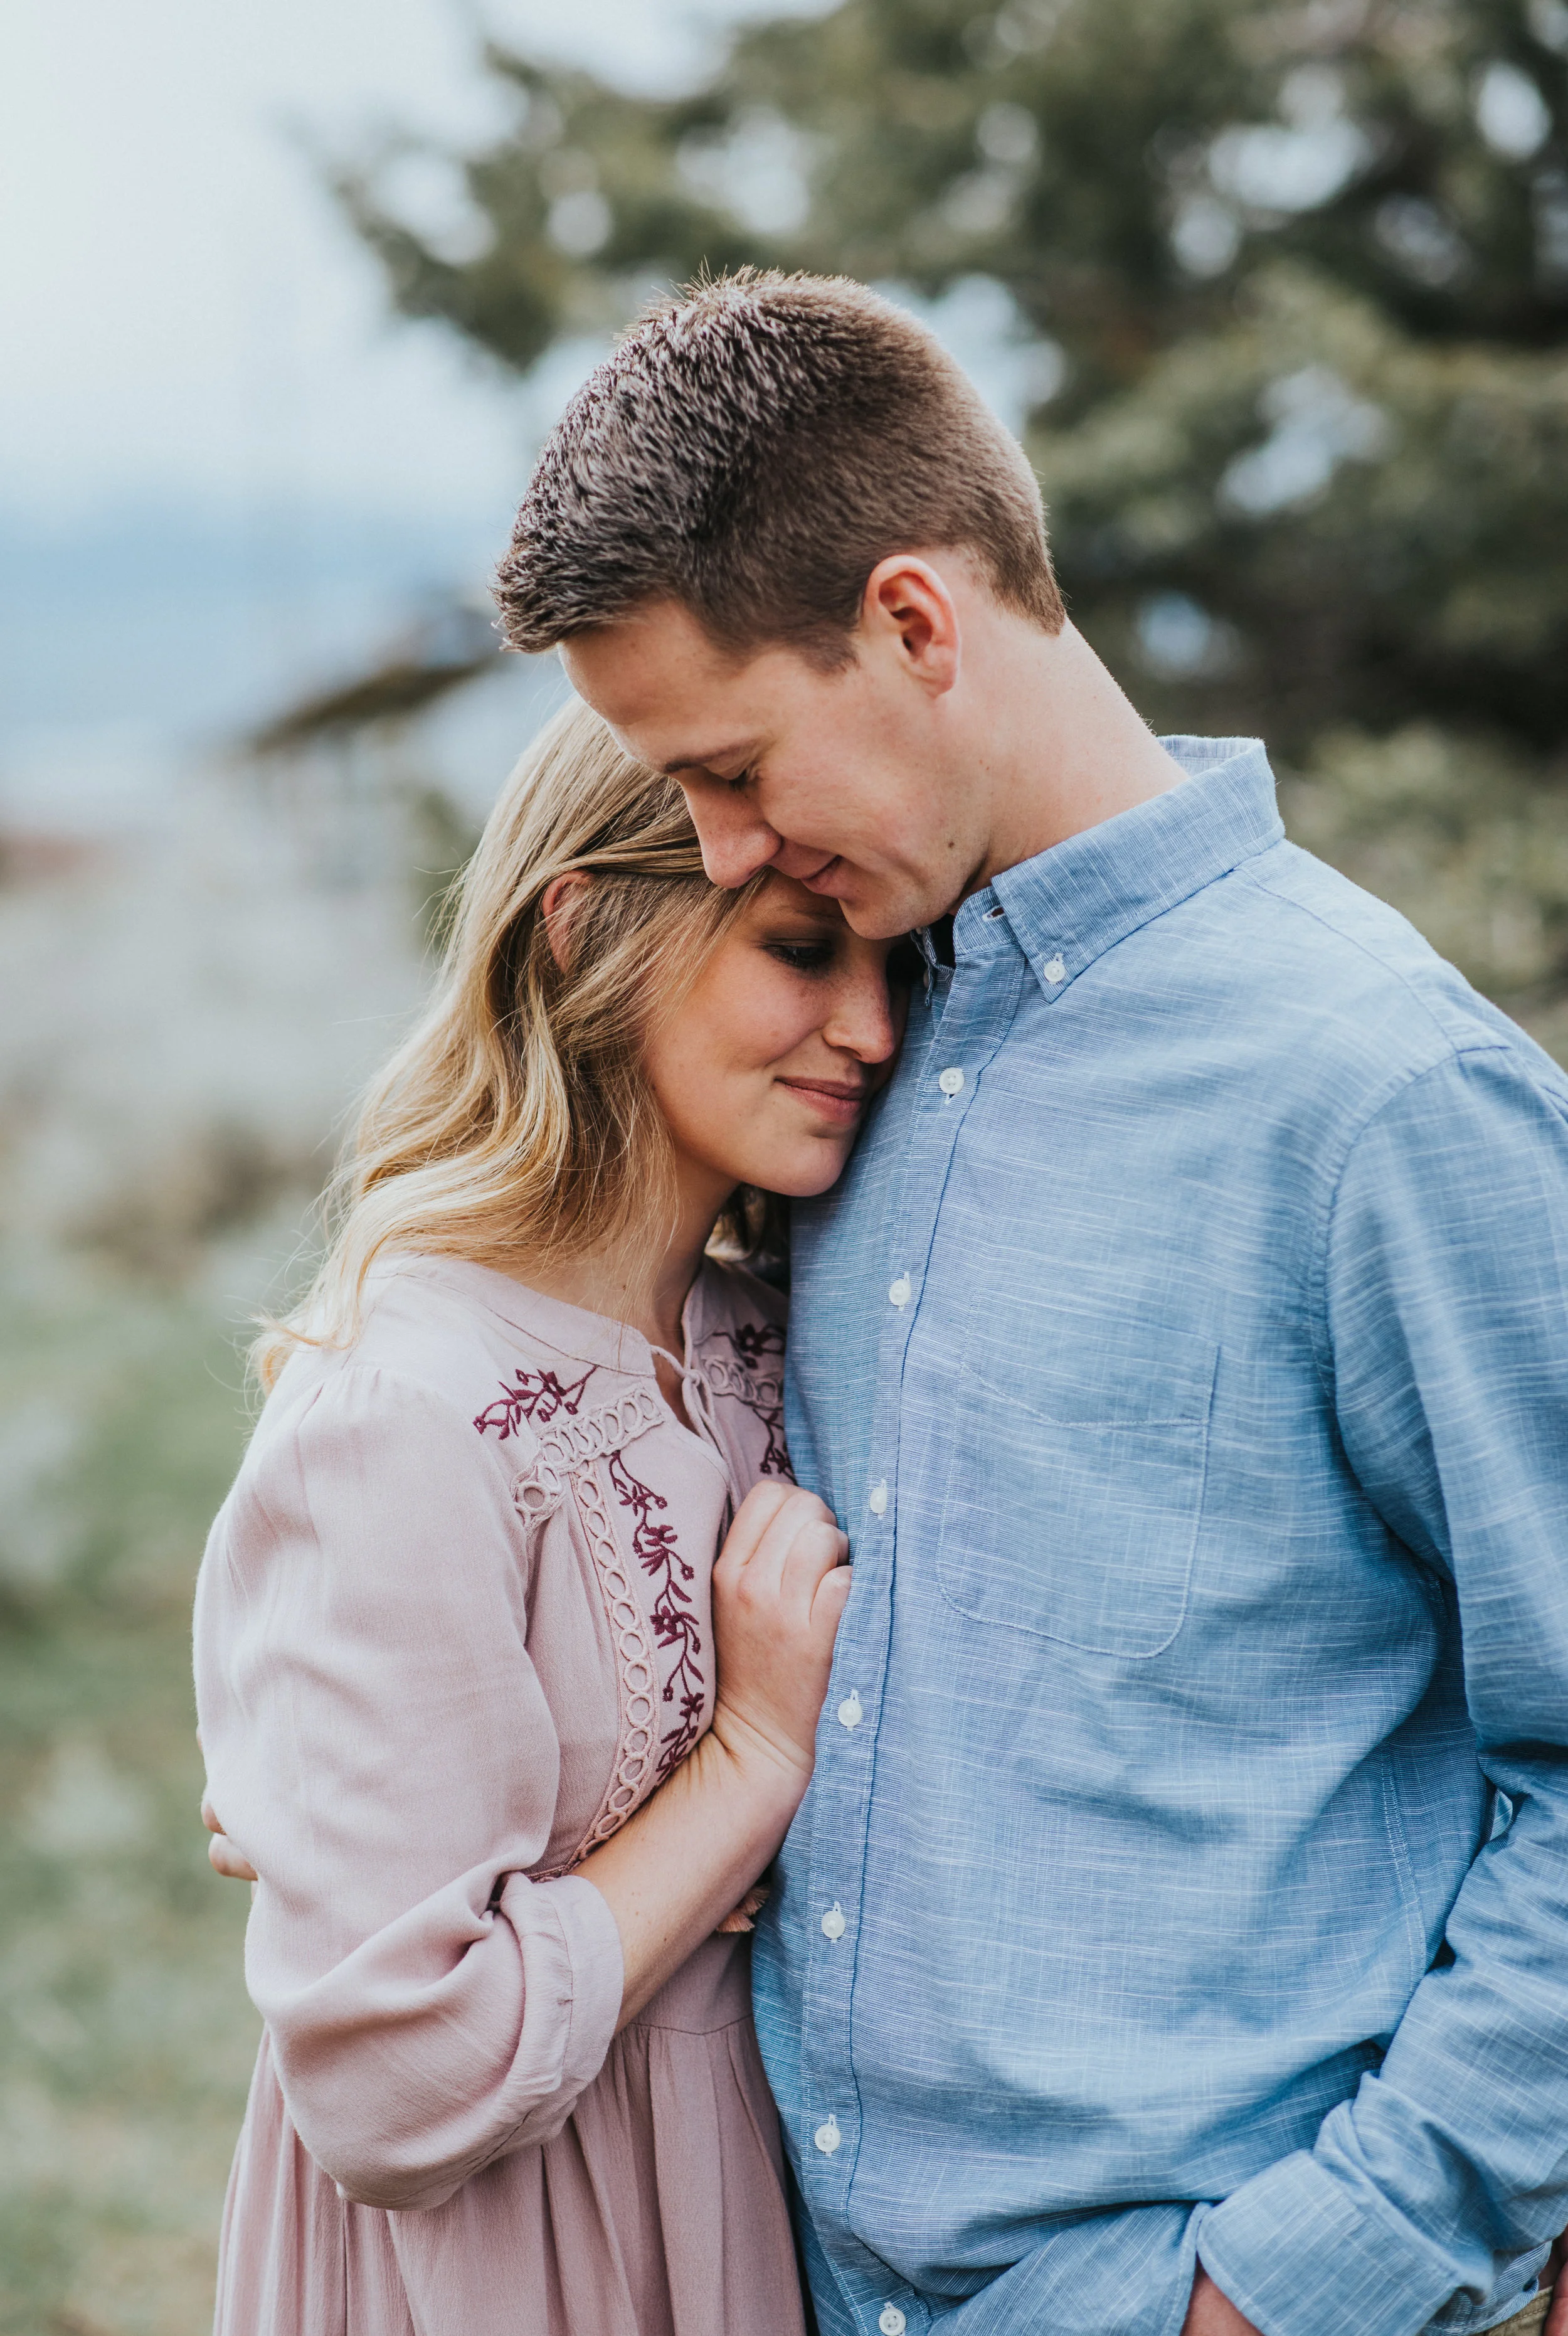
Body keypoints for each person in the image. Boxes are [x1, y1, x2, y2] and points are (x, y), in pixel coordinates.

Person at [494, 270, 1568, 2336]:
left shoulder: (1380, 1094)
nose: (715, 852)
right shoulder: (842, 1060)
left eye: (728, 766)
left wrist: (1309, 2278)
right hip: (802, 2283)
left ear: (913, 621)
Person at [193, 698, 911, 2335]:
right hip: (501, 2265)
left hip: (742, 2216)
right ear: (591, 930)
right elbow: (395, 2086)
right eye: (803, 945)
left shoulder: (778, 1330)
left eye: (893, 965)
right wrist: (746, 1769)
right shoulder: (401, 1414)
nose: (870, 1027)